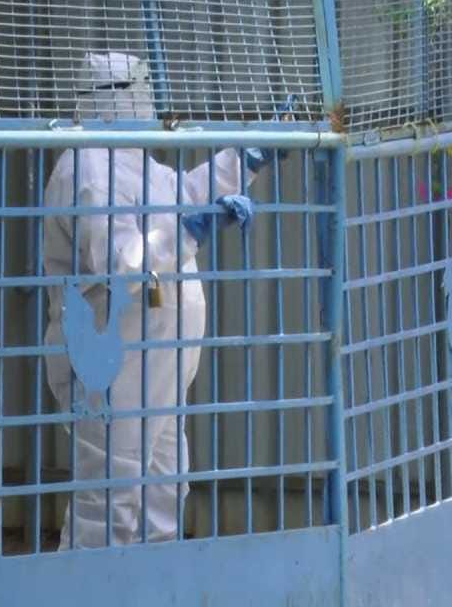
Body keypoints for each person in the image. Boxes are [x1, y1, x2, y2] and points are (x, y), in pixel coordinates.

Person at [42, 52, 281, 550]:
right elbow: (124, 263)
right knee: (109, 500)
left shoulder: (134, 159)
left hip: (160, 368)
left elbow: (183, 195)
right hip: (111, 362)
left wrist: (245, 158)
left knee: (164, 494)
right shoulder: (87, 166)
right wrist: (191, 229)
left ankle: (154, 586)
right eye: (137, 88)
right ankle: (82, 587)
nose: (148, 98)